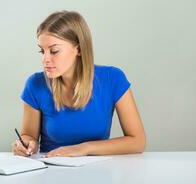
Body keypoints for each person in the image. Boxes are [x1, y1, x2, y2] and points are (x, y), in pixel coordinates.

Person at [12, 10, 146, 157]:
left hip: (98, 173)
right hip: (50, 172)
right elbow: (29, 136)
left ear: (79, 49)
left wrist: (82, 149)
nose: (45, 59)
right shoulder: (35, 84)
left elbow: (137, 141)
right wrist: (25, 144)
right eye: (42, 51)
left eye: (54, 51)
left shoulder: (113, 79)